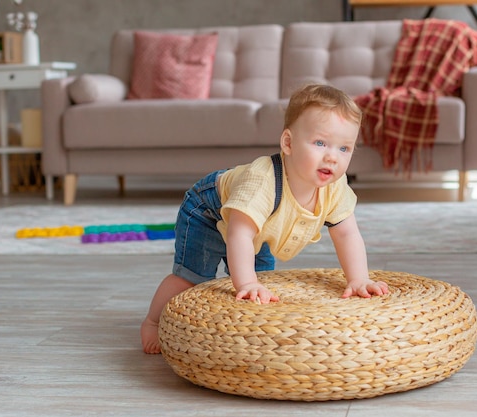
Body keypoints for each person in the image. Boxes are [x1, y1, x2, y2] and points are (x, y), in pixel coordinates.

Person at [141, 83, 390, 354]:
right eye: (320, 143)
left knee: (263, 286)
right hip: (208, 211)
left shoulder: (334, 188)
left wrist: (358, 278)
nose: (332, 157)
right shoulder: (262, 181)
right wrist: (245, 283)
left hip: (258, 226)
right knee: (192, 277)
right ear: (288, 143)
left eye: (345, 148)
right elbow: (239, 234)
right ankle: (152, 322)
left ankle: (241, 333)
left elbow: (347, 233)